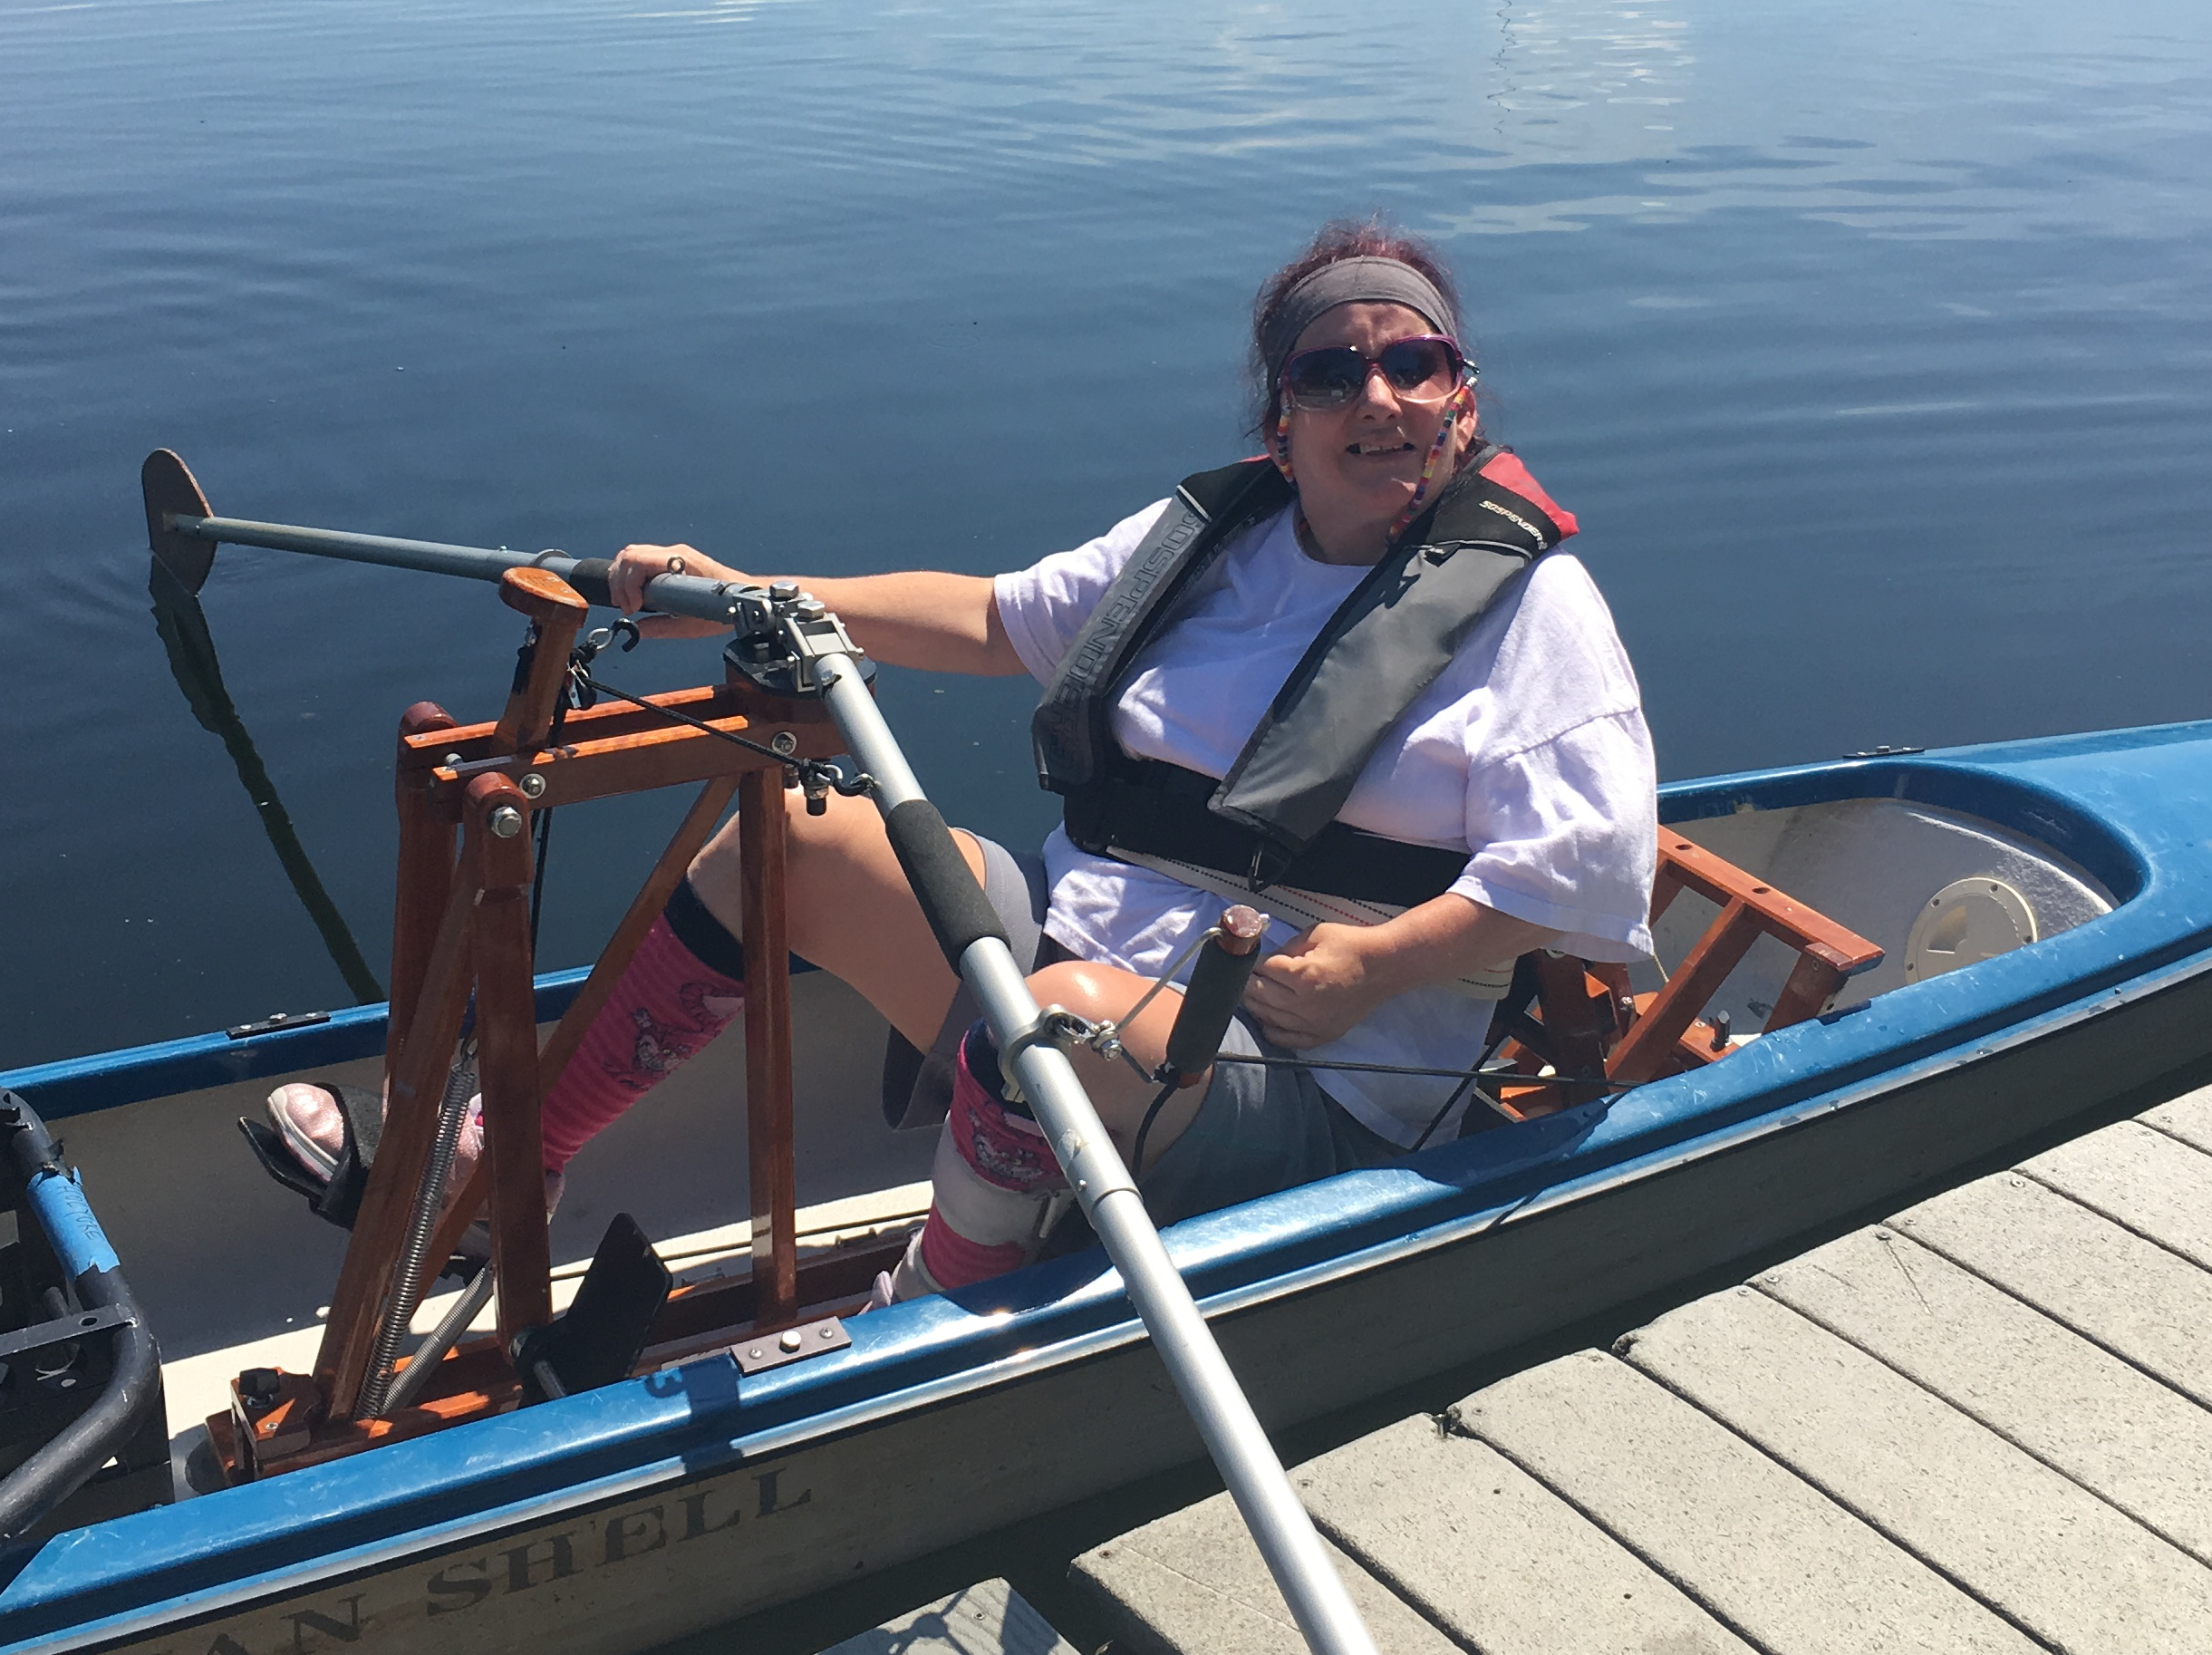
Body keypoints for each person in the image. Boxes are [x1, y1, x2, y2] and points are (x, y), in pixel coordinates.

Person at [269, 221, 1657, 1305]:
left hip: (1320, 1080)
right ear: (1277, 421)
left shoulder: (1527, 610)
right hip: (1070, 970)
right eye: (1331, 370)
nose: (1379, 395)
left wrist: (1378, 963)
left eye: (1414, 364)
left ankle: (943, 1304)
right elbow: (996, 617)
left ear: (1459, 401)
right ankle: (499, 1173)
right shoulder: (1213, 545)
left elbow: (1591, 865)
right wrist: (752, 584)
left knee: (1060, 1021)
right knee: (798, 839)